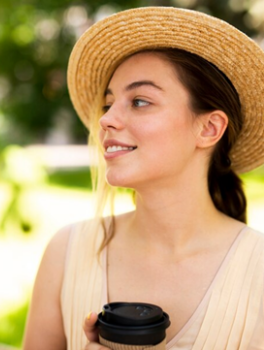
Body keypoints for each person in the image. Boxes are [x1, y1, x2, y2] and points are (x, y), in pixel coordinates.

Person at [22, 6, 264, 349]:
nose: (106, 120)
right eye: (108, 104)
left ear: (209, 128)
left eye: (139, 101)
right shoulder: (66, 253)